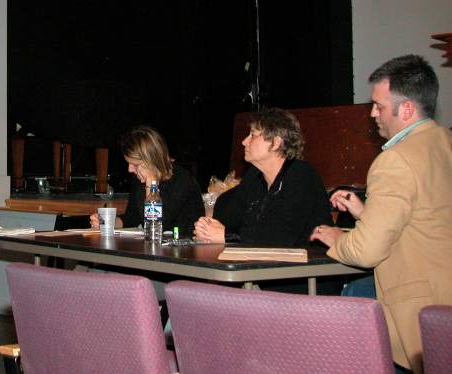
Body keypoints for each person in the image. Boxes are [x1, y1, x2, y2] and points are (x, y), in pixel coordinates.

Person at [310, 55, 452, 373]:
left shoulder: (395, 161)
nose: (373, 114)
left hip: (417, 321)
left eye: (378, 106)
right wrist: (365, 213)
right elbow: (426, 219)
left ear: (406, 109)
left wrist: (336, 237)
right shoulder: (444, 143)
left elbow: (365, 251)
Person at [193, 107, 332, 247]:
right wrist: (207, 225)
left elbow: (278, 237)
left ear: (275, 143)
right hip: (268, 264)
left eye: (253, 135)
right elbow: (226, 211)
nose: (244, 141)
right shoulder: (255, 176)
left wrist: (225, 235)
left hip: (311, 264)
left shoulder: (301, 176)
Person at [89, 125, 204, 234]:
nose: (129, 169)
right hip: (156, 247)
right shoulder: (138, 180)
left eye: (135, 164)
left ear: (150, 161)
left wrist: (151, 181)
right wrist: (108, 222)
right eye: (129, 163)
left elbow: (156, 224)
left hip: (184, 249)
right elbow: (132, 218)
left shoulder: (182, 180)